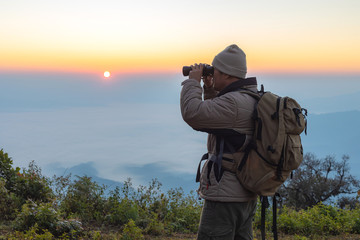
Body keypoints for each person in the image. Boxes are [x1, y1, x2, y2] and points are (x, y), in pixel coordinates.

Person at [180, 44, 258, 240]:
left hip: (225, 196)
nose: (212, 73)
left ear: (228, 74)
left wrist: (192, 83)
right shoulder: (248, 97)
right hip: (244, 192)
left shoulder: (233, 103)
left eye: (216, 70)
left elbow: (193, 114)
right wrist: (209, 87)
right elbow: (221, 121)